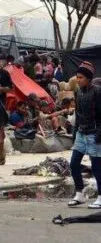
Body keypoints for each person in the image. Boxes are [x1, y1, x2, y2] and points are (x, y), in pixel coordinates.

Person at [68, 62, 101, 209]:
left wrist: (100, 134)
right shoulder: (78, 92)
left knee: (97, 167)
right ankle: (79, 194)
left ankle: (100, 197)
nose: (78, 79)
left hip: (95, 134)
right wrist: (75, 134)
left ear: (88, 78)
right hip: (82, 133)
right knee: (74, 164)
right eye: (77, 77)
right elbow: (78, 114)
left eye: (81, 77)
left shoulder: (98, 92)